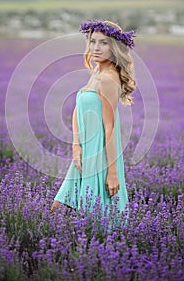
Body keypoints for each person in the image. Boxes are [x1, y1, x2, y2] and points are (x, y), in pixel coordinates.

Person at [51, 19, 136, 224]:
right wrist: (76, 145)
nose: (96, 48)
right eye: (93, 41)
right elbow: (78, 109)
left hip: (99, 153)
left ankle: (103, 251)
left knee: (94, 216)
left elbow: (110, 126)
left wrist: (112, 173)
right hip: (84, 150)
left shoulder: (108, 78)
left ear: (114, 48)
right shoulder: (97, 72)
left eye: (103, 43)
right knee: (58, 208)